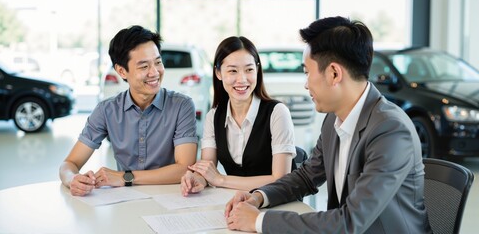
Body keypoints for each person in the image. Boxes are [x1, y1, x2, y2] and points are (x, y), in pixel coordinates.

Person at [224, 16, 432, 233]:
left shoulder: (390, 131)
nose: (305, 84)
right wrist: (258, 197)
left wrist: (259, 221)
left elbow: (349, 222)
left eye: (307, 72)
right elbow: (306, 177)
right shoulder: (334, 118)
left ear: (334, 73)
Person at [59, 25, 198, 196]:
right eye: (144, 66)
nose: (155, 72)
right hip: (125, 201)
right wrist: (72, 179)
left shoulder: (181, 106)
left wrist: (126, 177)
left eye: (158, 62)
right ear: (121, 71)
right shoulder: (106, 110)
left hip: (172, 197)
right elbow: (70, 163)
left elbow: (184, 169)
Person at [180, 36, 296, 196]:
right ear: (218, 73)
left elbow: (281, 179)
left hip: (276, 202)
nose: (242, 79)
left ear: (257, 70)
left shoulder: (277, 112)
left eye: (249, 70)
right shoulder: (213, 116)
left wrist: (221, 180)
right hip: (236, 202)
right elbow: (207, 169)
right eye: (233, 71)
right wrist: (197, 178)